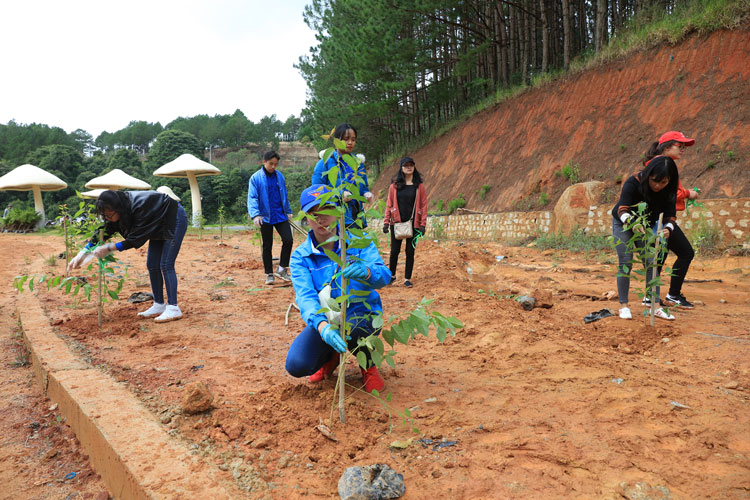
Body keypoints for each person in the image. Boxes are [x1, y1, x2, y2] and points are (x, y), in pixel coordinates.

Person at [285, 184, 391, 393]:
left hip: (361, 314)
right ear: (306, 218)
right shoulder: (301, 256)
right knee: (297, 364)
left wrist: (368, 272)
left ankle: (367, 366)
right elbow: (305, 297)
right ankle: (331, 355)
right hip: (328, 318)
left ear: (338, 211)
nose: (321, 218)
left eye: (327, 210)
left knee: (356, 327)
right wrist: (322, 327)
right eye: (314, 213)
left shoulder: (358, 242)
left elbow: (385, 277)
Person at [68, 190, 188, 322]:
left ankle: (173, 308)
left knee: (165, 264)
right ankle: (159, 304)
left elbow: (135, 239)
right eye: (104, 216)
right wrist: (83, 253)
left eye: (109, 215)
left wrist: (109, 248)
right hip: (157, 221)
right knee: (152, 265)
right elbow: (106, 229)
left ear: (118, 209)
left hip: (173, 217)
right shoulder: (119, 208)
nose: (107, 218)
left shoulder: (139, 207)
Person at [611, 156, 681, 321]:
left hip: (646, 225)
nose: (657, 186)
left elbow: (671, 216)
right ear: (649, 175)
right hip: (624, 222)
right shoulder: (633, 182)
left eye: (663, 183)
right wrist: (632, 223)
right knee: (626, 261)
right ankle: (623, 306)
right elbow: (622, 209)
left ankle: (655, 306)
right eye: (654, 181)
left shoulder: (669, 190)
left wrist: (667, 229)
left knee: (652, 261)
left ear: (669, 181)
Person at [642, 131, 697, 309]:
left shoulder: (666, 164)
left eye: (683, 147)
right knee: (685, 252)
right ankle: (667, 295)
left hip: (662, 217)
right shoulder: (659, 165)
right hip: (658, 218)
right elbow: (668, 191)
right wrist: (689, 193)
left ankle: (653, 296)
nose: (682, 150)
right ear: (666, 147)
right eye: (679, 146)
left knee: (660, 254)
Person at [311, 123, 373, 228]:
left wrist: (366, 194)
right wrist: (340, 194)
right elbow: (317, 190)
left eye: (353, 140)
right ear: (336, 140)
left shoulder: (358, 163)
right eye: (346, 139)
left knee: (354, 243)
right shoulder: (325, 163)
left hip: (355, 217)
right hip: (334, 216)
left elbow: (363, 187)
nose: (350, 143)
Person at [247, 150, 294, 285]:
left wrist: (288, 210)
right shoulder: (256, 178)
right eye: (271, 164)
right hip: (265, 217)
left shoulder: (280, 177)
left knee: (288, 239)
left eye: (275, 164)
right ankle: (269, 274)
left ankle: (282, 269)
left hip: (280, 215)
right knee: (267, 245)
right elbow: (252, 197)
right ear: (264, 162)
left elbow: (284, 194)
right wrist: (255, 215)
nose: (273, 167)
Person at [382, 157, 428, 288]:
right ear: (401, 168)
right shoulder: (394, 186)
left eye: (411, 165)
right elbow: (389, 205)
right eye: (406, 165)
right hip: (396, 223)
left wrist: (423, 224)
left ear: (414, 167)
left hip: (414, 223)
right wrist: (386, 222)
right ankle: (392, 276)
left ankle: (407, 278)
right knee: (394, 251)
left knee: (410, 251)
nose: (409, 167)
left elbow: (424, 206)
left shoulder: (419, 186)